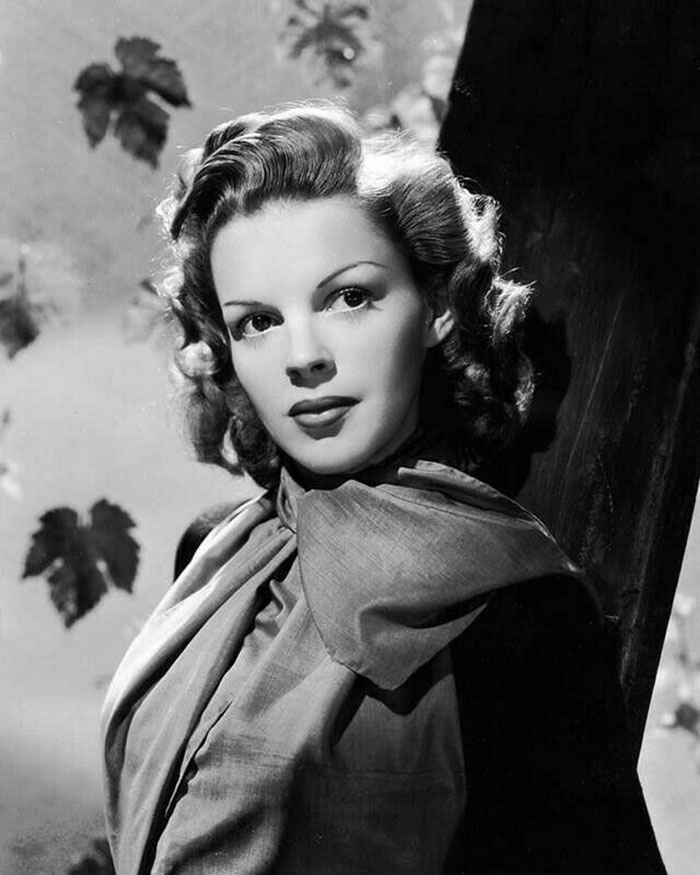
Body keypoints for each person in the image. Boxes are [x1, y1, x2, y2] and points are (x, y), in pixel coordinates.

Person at [101, 103, 666, 874]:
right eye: (258, 321)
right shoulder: (217, 551)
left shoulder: (520, 613)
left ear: (434, 306)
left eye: (349, 297)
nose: (303, 357)